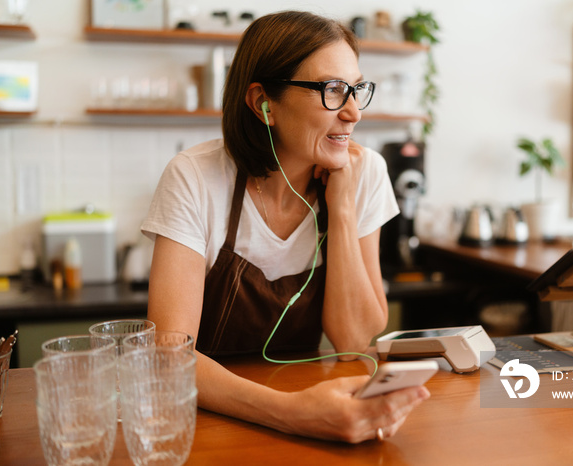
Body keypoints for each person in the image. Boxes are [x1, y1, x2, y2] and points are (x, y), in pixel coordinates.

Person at [142, 10, 429, 443]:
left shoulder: (365, 170)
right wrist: (293, 413)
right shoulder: (195, 177)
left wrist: (344, 209)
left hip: (313, 408)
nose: (353, 113)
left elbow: (354, 338)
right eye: (332, 90)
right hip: (209, 420)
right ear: (263, 103)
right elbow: (169, 356)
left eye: (356, 89)